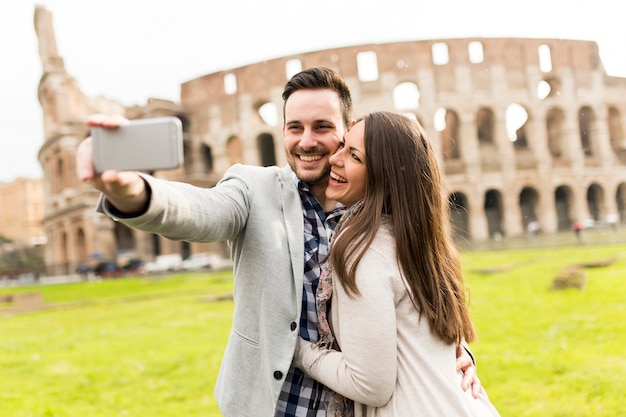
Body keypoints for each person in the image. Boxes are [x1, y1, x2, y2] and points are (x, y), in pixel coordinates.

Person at [76, 68, 481, 416]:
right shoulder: (255, 189)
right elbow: (197, 211)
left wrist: (453, 355)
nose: (306, 141)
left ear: (347, 132)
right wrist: (131, 191)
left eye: (322, 127)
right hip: (273, 406)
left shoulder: (374, 214)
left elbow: (421, 289)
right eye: (294, 128)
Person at [294, 111, 500, 416]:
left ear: (385, 175)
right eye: (342, 147)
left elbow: (369, 385)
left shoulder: (362, 250)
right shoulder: (421, 242)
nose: (334, 160)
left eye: (354, 157)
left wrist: (298, 351)